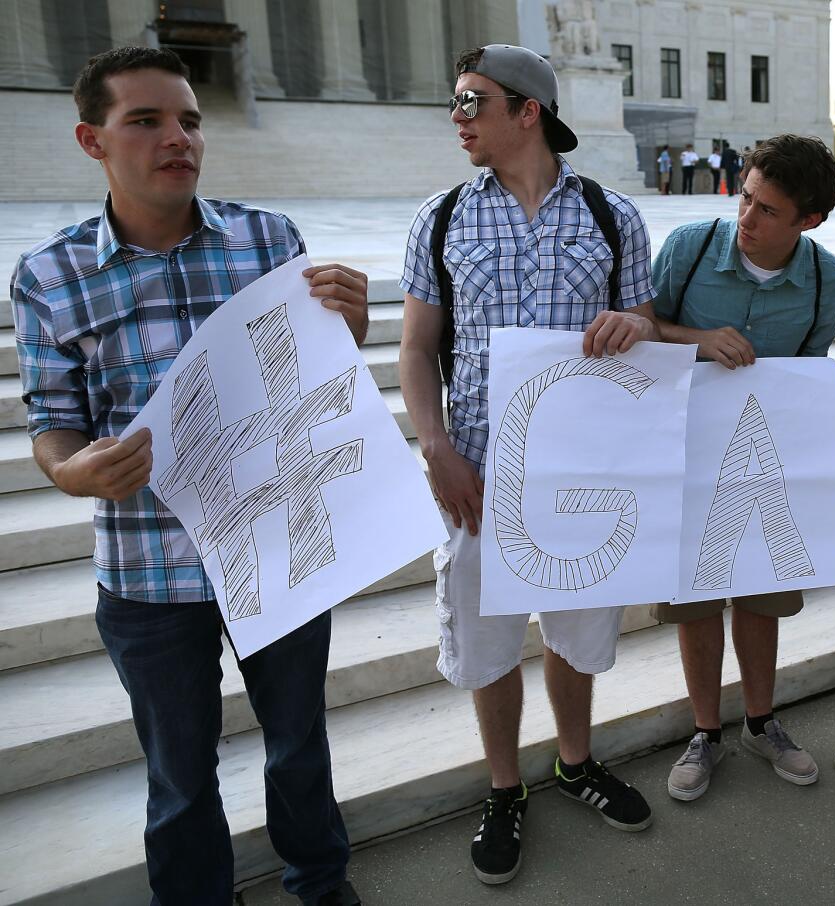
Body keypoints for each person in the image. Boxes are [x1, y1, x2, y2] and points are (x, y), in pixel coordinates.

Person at [10, 47, 367, 906]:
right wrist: (75, 472)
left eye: (190, 120)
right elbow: (51, 427)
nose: (179, 138)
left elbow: (311, 384)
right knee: (177, 773)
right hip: (146, 572)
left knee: (298, 745)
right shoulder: (50, 278)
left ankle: (320, 886)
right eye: (147, 121)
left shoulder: (268, 240)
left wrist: (347, 329)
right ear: (91, 139)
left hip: (273, 548)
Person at [398, 44, 660, 886]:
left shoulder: (613, 216)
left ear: (528, 111)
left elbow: (645, 322)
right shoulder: (439, 217)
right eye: (456, 100)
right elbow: (415, 345)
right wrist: (435, 449)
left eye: (473, 100)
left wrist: (636, 326)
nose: (457, 117)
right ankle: (504, 787)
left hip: (581, 468)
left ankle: (575, 763)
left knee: (578, 633)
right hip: (477, 468)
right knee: (488, 638)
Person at [648, 135, 835, 800]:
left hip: (767, 463)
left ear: (808, 221)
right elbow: (640, 330)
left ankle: (762, 723)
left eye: (766, 211)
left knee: (761, 601)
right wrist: (696, 340)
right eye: (746, 197)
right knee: (696, 603)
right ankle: (706, 732)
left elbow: (811, 377)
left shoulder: (824, 275)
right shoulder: (689, 248)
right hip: (688, 457)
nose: (746, 219)